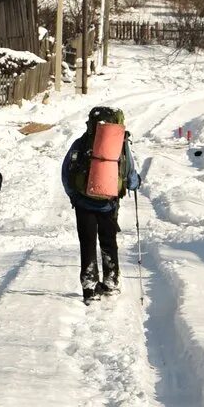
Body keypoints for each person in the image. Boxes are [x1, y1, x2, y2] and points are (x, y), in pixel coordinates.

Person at [61, 105, 138, 302]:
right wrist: (133, 182)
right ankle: (110, 283)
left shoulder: (81, 142)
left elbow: (67, 170)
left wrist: (74, 196)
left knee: (87, 243)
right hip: (109, 204)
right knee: (108, 241)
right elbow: (130, 175)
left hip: (83, 203)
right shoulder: (120, 145)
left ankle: (89, 288)